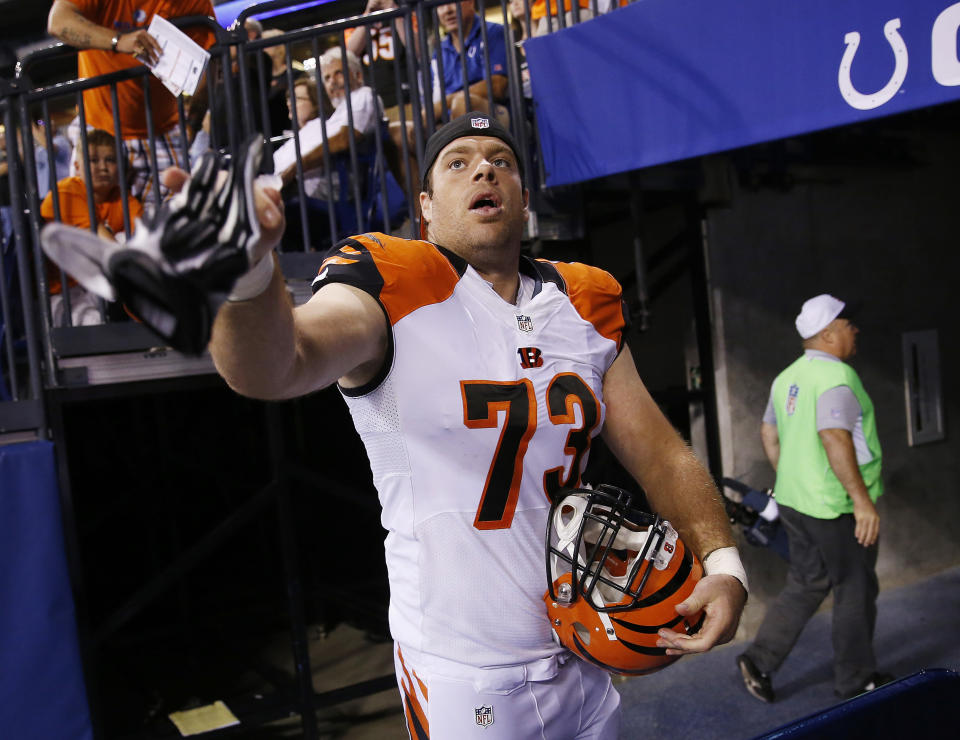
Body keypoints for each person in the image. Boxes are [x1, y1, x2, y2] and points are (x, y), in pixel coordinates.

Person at [173, 111, 747, 737]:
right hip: (465, 676)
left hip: (582, 653)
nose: (483, 168)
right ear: (425, 205)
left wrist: (725, 565)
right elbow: (275, 367)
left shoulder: (583, 300)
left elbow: (661, 454)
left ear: (525, 199)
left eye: (501, 160)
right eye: (459, 160)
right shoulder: (392, 279)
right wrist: (249, 274)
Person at [737, 294, 892, 703]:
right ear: (827, 333)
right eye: (847, 324)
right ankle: (856, 681)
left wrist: (792, 474)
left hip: (794, 499)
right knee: (854, 585)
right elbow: (833, 436)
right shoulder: (836, 378)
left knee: (808, 581)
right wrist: (861, 501)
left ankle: (759, 660)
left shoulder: (787, 377)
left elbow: (769, 434)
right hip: (832, 506)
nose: (854, 330)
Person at [46, 0, 216, 203]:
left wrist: (193, 124)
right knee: (93, 225)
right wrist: (118, 41)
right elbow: (58, 22)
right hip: (99, 132)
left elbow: (210, 58)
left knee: (173, 225)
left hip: (162, 135)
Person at [40, 128, 143, 326]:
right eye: (94, 160)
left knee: (128, 243)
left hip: (99, 289)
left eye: (110, 160)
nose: (103, 167)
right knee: (92, 324)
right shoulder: (66, 191)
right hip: (63, 290)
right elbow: (99, 238)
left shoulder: (123, 198)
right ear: (78, 167)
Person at [430, 1, 509, 123]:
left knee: (463, 103)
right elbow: (435, 98)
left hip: (493, 112)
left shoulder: (493, 32)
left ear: (471, 2)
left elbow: (498, 86)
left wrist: (445, 103)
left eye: (452, 1)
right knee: (404, 130)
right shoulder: (439, 51)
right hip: (448, 119)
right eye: (440, 4)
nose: (447, 10)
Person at [346, 0, 411, 110]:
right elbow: (350, 54)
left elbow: (415, 46)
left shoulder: (403, 8)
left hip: (405, 98)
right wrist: (368, 12)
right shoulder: (358, 17)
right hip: (373, 103)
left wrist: (393, 10)